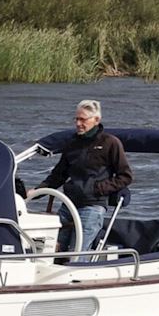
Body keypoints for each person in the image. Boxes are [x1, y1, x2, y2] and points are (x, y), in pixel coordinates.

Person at [38, 99, 134, 253]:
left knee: (77, 253)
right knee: (49, 249)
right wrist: (36, 192)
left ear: (96, 120)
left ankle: (76, 271)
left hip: (92, 206)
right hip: (67, 205)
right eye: (76, 119)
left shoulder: (110, 143)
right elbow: (58, 175)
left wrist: (98, 189)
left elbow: (125, 176)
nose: (78, 123)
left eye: (82, 119)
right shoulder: (72, 144)